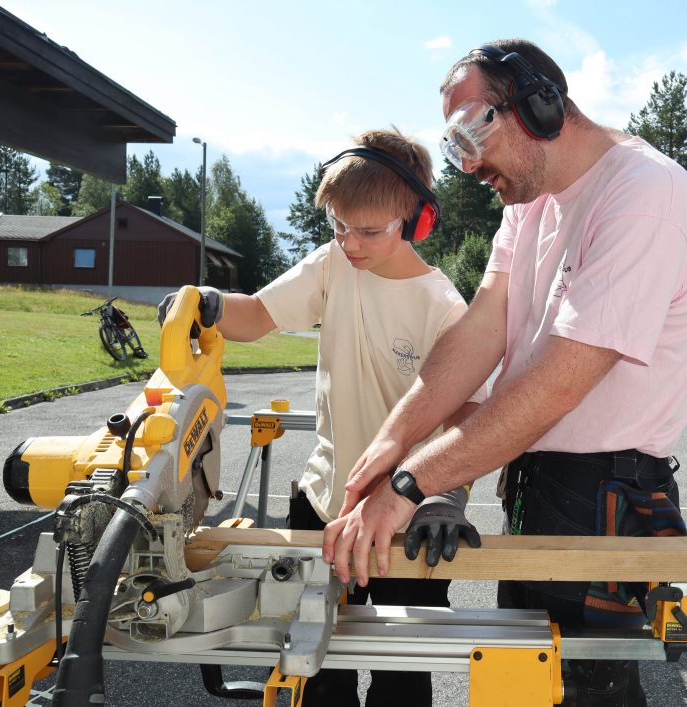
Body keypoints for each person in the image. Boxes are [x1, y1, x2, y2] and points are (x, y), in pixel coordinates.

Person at [322, 39, 687, 706]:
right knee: (518, 685)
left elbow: (560, 383)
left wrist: (411, 484)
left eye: (475, 132)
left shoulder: (645, 195)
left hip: (605, 496)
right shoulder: (528, 200)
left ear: (539, 105)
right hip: (537, 483)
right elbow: (480, 330)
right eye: (455, 145)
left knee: (586, 691)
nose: (470, 164)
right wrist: (387, 449)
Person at [157, 128, 484, 707]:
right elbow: (257, 314)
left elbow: (468, 418)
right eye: (338, 226)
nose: (350, 243)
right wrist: (207, 302)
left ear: (415, 219)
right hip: (322, 502)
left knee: (400, 675)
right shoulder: (333, 265)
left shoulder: (443, 307)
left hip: (404, 515)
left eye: (368, 231)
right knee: (315, 659)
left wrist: (441, 499)